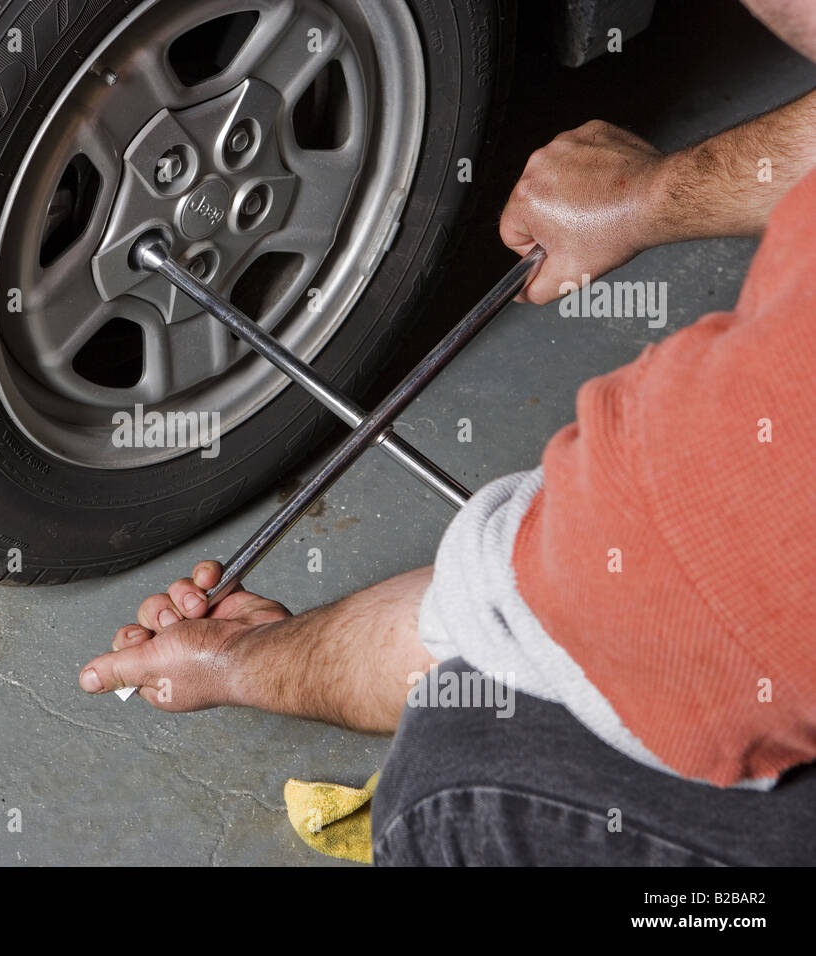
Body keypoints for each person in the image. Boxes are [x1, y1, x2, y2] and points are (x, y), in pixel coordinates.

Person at [78, 0, 816, 865]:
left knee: (461, 781)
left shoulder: (765, 432)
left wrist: (250, 664)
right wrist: (649, 197)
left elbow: (528, 633)